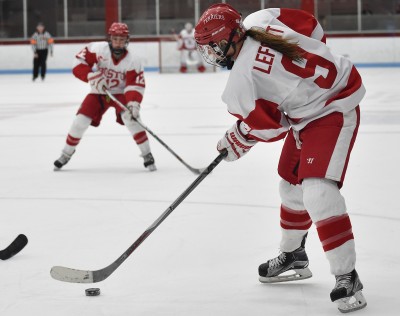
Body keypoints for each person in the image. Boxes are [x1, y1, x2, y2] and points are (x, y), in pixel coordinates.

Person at [195, 3, 367, 314]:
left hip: (333, 108)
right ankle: (294, 256)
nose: (213, 54)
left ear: (232, 38)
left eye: (215, 46)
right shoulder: (261, 19)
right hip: (314, 108)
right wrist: (305, 83)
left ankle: (347, 276)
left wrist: (236, 138)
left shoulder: (241, 82)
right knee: (291, 186)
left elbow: (272, 127)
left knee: (317, 191)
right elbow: (312, 28)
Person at [54, 22, 156, 172]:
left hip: (120, 94)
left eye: (122, 39)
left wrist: (133, 103)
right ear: (110, 39)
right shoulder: (97, 48)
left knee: (132, 119)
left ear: (127, 40)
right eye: (115, 39)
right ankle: (66, 153)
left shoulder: (133, 59)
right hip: (98, 92)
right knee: (79, 122)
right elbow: (78, 63)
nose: (118, 43)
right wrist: (90, 75)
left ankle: (147, 153)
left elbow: (134, 84)